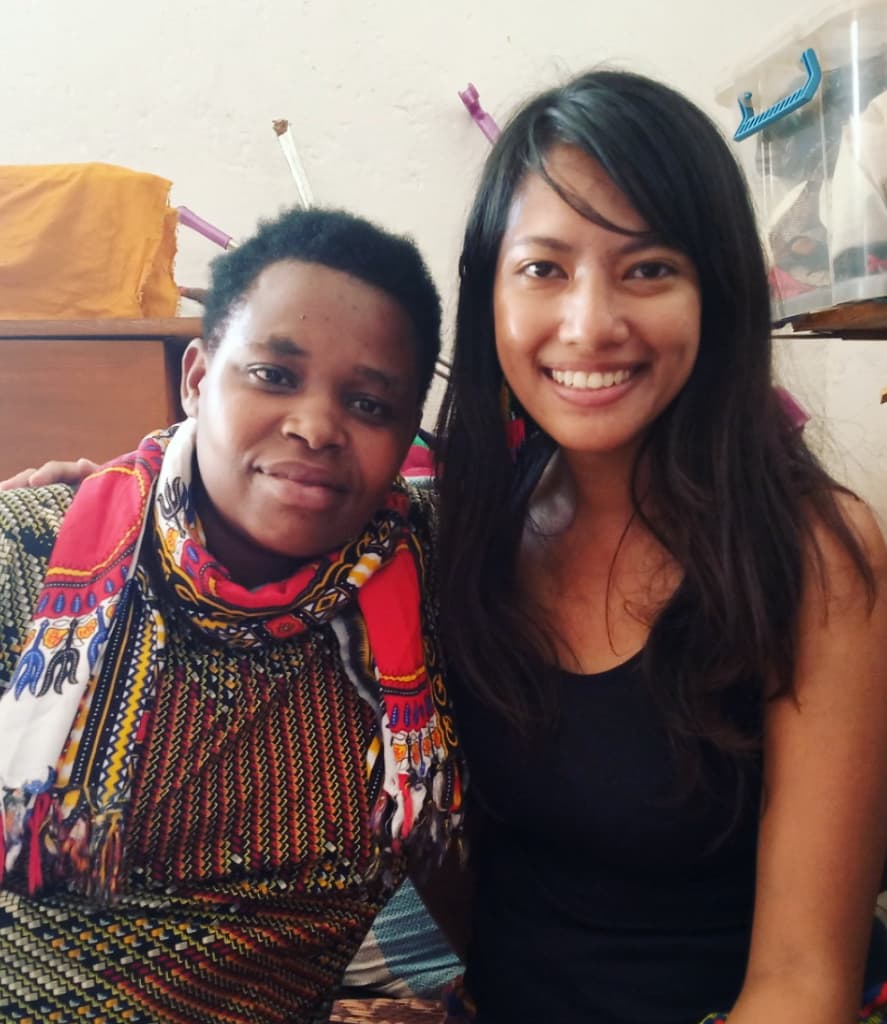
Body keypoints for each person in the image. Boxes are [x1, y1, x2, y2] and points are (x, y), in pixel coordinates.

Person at [433, 69, 887, 1023]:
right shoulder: (467, 519)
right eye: (543, 268)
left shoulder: (814, 556)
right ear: (489, 294)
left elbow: (804, 980)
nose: (589, 324)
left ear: (715, 293)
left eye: (646, 268)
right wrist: (119, 487)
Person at [0, 205, 464, 1024]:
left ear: (405, 438)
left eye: (369, 404)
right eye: (274, 376)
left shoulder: (434, 581)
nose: (316, 426)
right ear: (196, 378)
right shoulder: (32, 564)